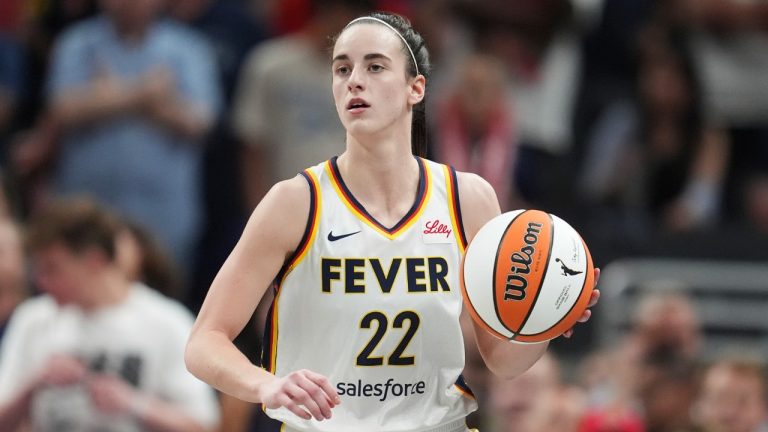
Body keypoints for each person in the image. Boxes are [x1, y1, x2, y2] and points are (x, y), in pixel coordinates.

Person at [186, 12, 599, 431]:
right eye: (342, 68)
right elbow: (204, 341)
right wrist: (265, 386)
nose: (354, 80)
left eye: (375, 66)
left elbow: (501, 361)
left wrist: (548, 316)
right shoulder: (295, 202)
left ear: (415, 88)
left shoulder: (467, 199)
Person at [0, 198, 219, 431]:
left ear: (94, 261)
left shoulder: (166, 322)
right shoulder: (33, 318)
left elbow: (204, 425)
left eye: (53, 268)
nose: (41, 282)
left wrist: (132, 403)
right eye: (38, 269)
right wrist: (35, 383)